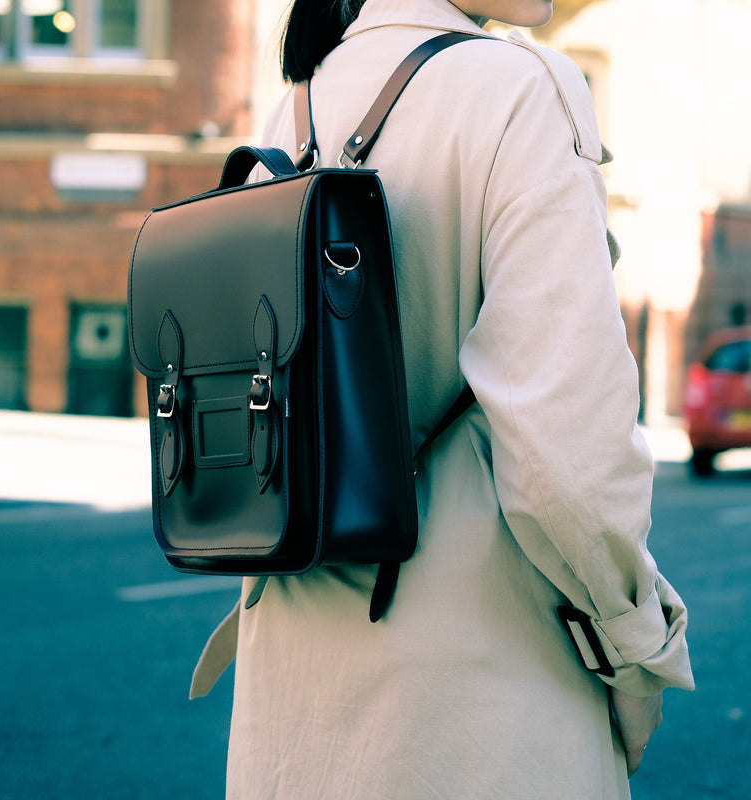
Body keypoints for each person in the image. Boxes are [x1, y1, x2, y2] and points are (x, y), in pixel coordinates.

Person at [190, 1, 694, 797]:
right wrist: (637, 652)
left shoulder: (304, 100)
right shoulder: (522, 88)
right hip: (478, 701)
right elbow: (571, 458)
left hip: (295, 692)